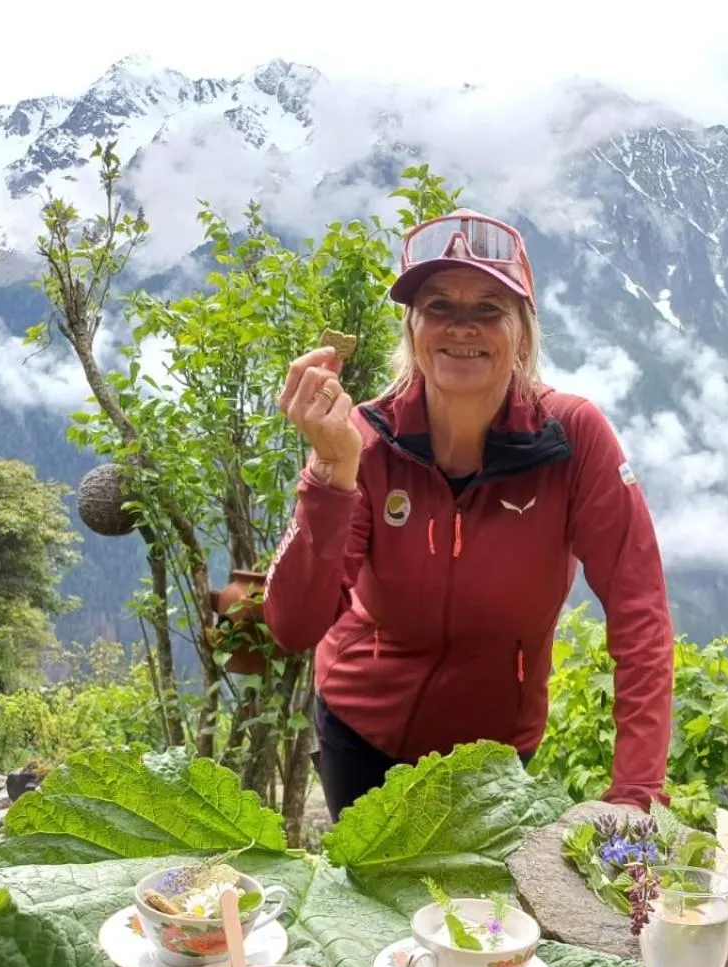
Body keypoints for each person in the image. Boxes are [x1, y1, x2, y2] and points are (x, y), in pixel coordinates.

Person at [262, 208, 675, 819]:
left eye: (488, 308)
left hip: (494, 757)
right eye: (438, 306)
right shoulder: (364, 441)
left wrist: (636, 794)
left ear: (523, 333)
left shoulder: (572, 439)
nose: (462, 327)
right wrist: (330, 474)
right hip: (361, 734)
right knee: (373, 912)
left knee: (478, 917)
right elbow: (293, 626)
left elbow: (639, 616)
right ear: (412, 329)